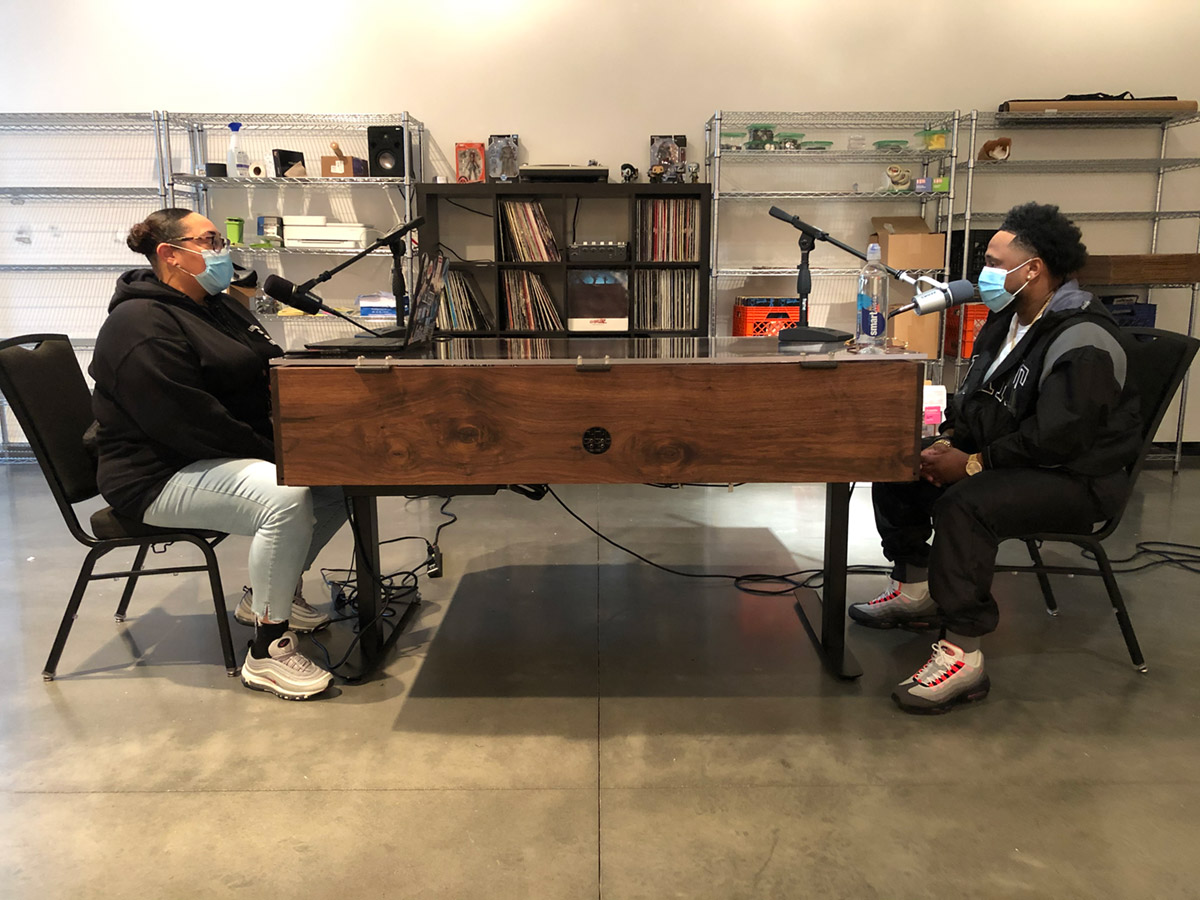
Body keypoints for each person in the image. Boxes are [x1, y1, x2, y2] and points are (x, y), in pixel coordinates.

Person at [849, 202, 1142, 714]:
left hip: (1077, 479)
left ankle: (965, 655)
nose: (982, 272)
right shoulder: (1008, 321)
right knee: (899, 461)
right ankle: (914, 587)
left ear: (1033, 269)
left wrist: (974, 463)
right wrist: (951, 439)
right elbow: (983, 401)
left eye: (992, 260)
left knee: (967, 505)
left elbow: (1060, 439)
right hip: (1019, 457)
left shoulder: (1082, 339)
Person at [90, 208, 348, 700]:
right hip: (158, 475)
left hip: (215, 454)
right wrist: (281, 454)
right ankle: (268, 653)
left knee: (339, 477)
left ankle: (271, 598)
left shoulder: (217, 305)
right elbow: (189, 424)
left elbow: (263, 368)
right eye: (209, 242)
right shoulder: (140, 324)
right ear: (170, 254)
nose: (223, 252)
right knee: (286, 494)